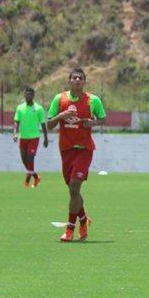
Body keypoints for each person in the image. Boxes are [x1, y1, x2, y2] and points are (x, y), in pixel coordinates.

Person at [46, 68, 106, 242]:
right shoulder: (60, 99)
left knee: (74, 188)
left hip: (84, 149)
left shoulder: (93, 100)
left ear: (84, 81)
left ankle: (70, 229)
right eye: (74, 77)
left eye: (80, 78)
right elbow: (49, 124)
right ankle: (83, 219)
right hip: (66, 150)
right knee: (73, 192)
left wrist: (92, 123)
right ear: (69, 81)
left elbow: (103, 119)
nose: (77, 80)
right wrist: (61, 115)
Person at [13, 87, 48, 187]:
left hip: (34, 137)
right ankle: (36, 177)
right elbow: (16, 122)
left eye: (31, 94)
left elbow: (43, 124)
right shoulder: (20, 108)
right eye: (27, 94)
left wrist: (45, 138)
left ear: (33, 95)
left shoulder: (39, 108)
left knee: (30, 158)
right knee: (25, 161)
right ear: (24, 95)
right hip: (23, 137)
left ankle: (27, 181)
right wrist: (15, 133)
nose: (29, 95)